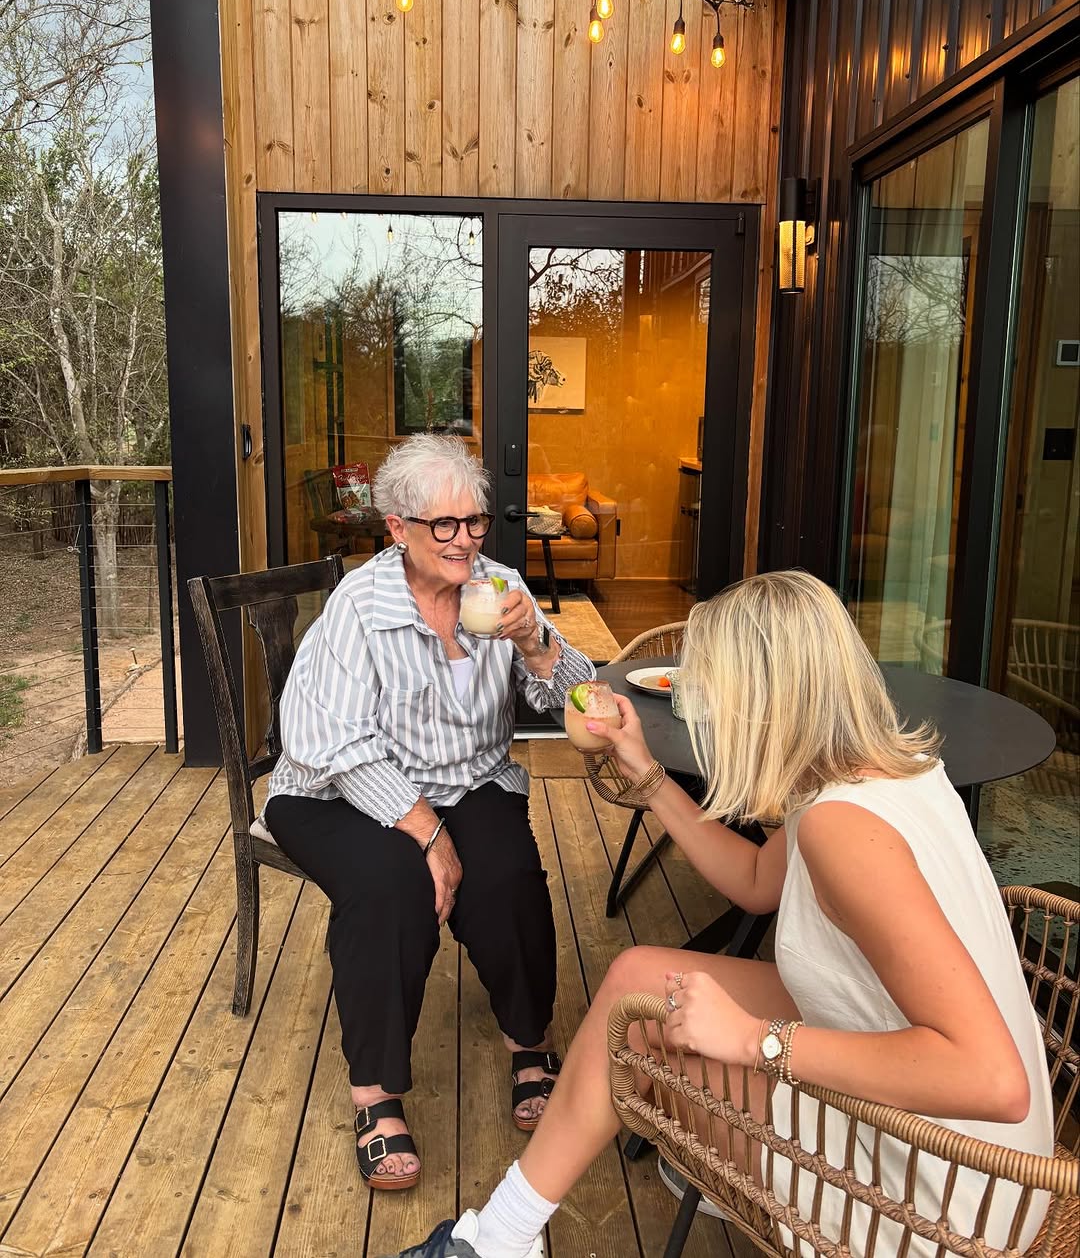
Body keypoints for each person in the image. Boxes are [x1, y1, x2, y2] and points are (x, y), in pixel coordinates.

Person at [387, 569, 1053, 1257]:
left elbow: (992, 1080)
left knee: (638, 1039)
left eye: (707, 693)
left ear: (760, 701)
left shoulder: (844, 831)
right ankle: (502, 1237)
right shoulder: (886, 766)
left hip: (940, 1200)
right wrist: (645, 773)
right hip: (982, 1153)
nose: (700, 713)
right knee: (637, 979)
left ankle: (498, 1240)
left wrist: (756, 1041)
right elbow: (758, 882)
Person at [262, 434, 595, 1190]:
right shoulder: (360, 607)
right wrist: (431, 836)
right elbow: (332, 744)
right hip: (333, 788)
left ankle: (528, 1040)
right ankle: (375, 1095)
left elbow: (573, 696)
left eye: (473, 520)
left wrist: (535, 641)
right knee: (392, 885)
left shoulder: (500, 588)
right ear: (398, 528)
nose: (464, 539)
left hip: (465, 778)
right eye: (442, 524)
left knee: (507, 874)